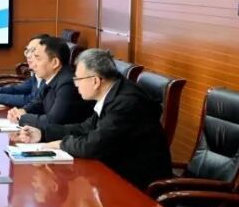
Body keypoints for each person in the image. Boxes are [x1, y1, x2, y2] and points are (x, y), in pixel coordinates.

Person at [11, 48, 172, 191]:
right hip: (117, 173)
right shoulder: (114, 93)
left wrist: (60, 144)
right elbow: (85, 127)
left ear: (95, 81)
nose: (75, 85)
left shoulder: (125, 102)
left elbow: (93, 145)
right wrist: (43, 133)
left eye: (78, 79)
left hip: (140, 187)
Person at [7, 36, 93, 129]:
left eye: (38, 59)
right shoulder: (50, 77)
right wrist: (22, 111)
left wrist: (23, 117)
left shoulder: (68, 84)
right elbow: (38, 102)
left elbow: (52, 122)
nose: (32, 65)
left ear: (55, 62)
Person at [0, 34, 49, 108]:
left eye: (33, 51)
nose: (28, 56)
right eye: (27, 51)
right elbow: (17, 89)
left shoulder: (48, 75)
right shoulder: (36, 75)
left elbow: (32, 100)